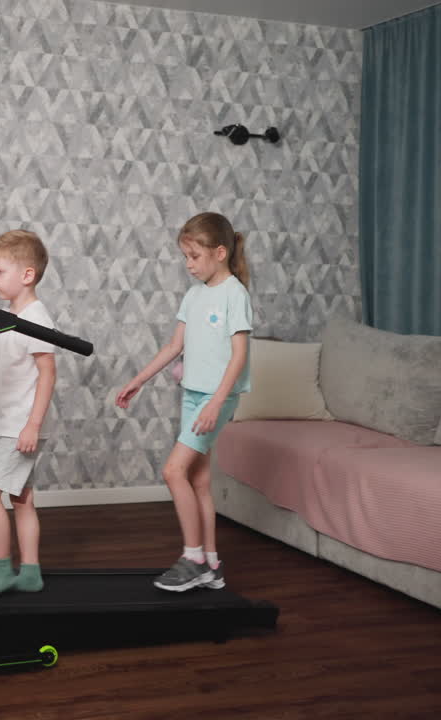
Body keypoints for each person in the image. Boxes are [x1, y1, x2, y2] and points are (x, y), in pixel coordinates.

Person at [115, 212, 253, 591]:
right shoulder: (194, 295)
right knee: (199, 480)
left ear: (220, 253)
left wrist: (215, 404)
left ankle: (192, 558)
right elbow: (175, 346)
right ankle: (211, 564)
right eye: (185, 257)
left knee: (173, 472)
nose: (188, 265)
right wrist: (138, 381)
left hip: (216, 397)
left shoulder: (234, 294)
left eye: (194, 256)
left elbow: (239, 356)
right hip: (193, 394)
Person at [0, 230, 57, 598]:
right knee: (22, 499)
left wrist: (33, 425)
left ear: (27, 275)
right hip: (8, 422)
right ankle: (30, 572)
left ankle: (2, 569)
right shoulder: (7, 316)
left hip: (23, 426)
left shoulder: (36, 318)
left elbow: (48, 373)